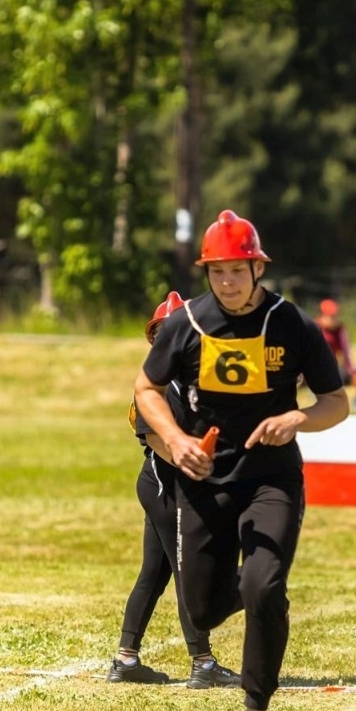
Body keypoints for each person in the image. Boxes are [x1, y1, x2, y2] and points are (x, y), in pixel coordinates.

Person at [136, 210, 348, 711]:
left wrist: (297, 418)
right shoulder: (186, 324)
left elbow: (335, 403)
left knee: (262, 586)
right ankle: (256, 590)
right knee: (201, 607)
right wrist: (177, 441)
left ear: (258, 268)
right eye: (218, 272)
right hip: (205, 482)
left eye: (238, 270)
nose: (228, 282)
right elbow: (146, 389)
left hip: (271, 477)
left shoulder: (292, 323)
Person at [110, 291, 242, 690]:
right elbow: (158, 443)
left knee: (154, 572)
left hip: (168, 487)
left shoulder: (193, 380)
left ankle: (125, 659)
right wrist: (203, 470)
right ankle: (202, 662)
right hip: (165, 487)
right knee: (190, 572)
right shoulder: (154, 384)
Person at [315, 298, 353, 385]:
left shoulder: (340, 330)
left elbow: (346, 351)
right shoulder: (315, 327)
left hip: (331, 364)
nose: (334, 319)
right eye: (331, 317)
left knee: (343, 378)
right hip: (315, 364)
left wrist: (349, 368)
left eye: (335, 316)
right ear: (322, 316)